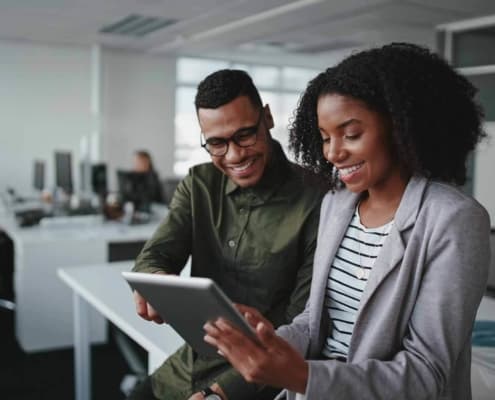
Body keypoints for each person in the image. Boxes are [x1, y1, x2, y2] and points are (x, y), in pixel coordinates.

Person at [204, 43, 491, 400]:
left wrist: (305, 375)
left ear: (400, 125)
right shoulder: (336, 205)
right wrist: (268, 341)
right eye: (325, 138)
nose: (333, 153)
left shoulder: (455, 220)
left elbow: (426, 374)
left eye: (351, 134)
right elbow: (314, 322)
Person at [128, 69, 327, 400]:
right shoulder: (199, 184)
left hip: (261, 378)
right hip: (191, 364)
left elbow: (301, 324)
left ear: (267, 117)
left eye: (245, 135)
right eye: (217, 143)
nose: (235, 156)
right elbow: (154, 256)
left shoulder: (317, 200)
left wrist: (222, 393)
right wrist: (151, 280)